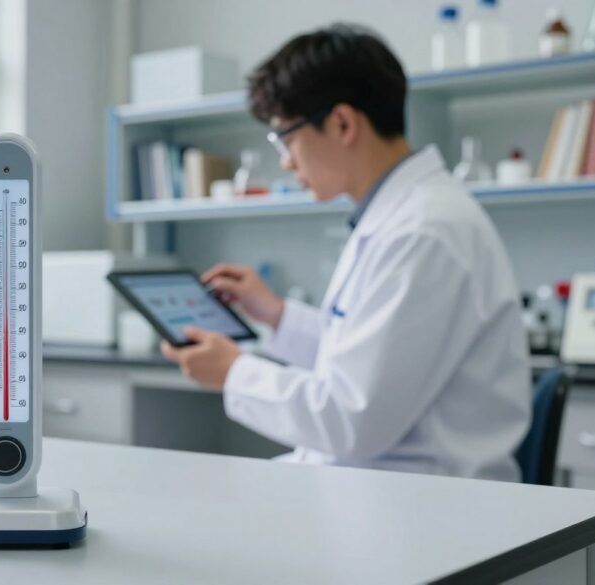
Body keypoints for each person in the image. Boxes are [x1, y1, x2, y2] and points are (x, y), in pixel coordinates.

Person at [160, 24, 531, 481]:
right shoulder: (399, 216)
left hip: (419, 507)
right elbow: (369, 353)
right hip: (377, 486)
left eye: (286, 137)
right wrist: (277, 316)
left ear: (342, 123)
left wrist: (234, 372)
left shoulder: (421, 233)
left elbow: (351, 417)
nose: (286, 160)